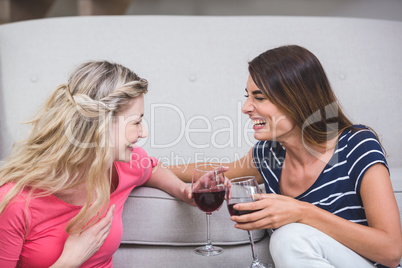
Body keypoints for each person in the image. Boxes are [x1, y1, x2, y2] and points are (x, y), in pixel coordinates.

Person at [169, 45, 402, 267]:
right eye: (247, 96)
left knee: (289, 238)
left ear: (297, 99)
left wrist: (302, 212)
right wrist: (150, 168)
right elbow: (220, 169)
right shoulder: (271, 154)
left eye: (259, 98)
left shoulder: (356, 144)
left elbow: (391, 252)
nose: (246, 107)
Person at [0, 61, 193, 267]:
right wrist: (70, 260)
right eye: (136, 122)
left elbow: (151, 167)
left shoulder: (121, 166)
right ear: (101, 126)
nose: (143, 133)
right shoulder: (16, 201)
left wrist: (183, 190)